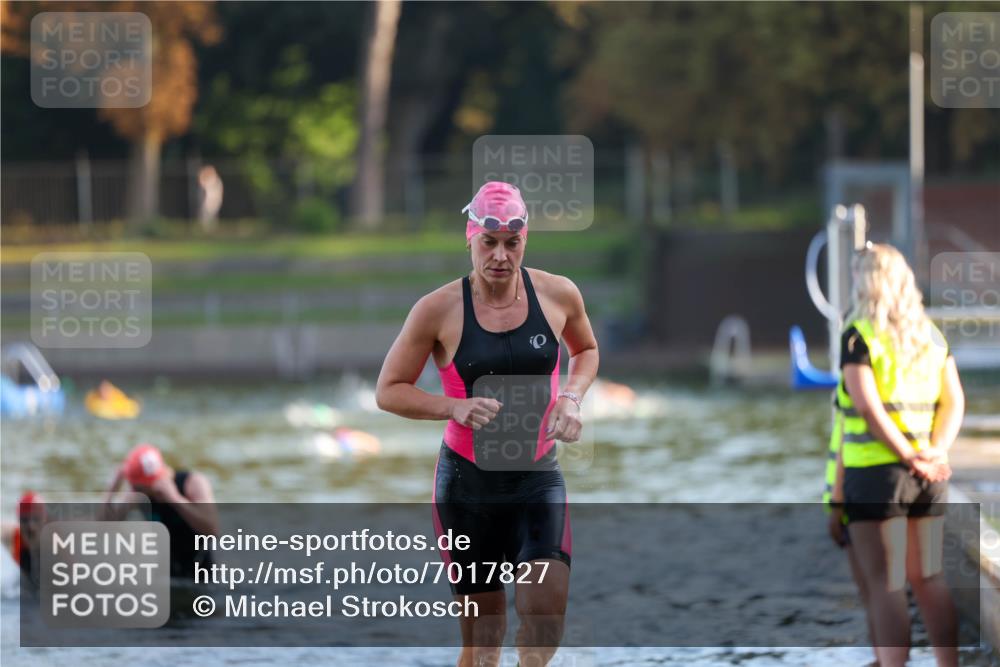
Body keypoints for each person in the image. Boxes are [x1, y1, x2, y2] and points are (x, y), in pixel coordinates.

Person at [375, 181, 599, 667]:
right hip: (467, 488)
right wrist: (450, 407)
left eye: (511, 244)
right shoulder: (437, 310)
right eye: (489, 243)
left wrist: (571, 398)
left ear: (525, 241)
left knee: (543, 622)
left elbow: (586, 350)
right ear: (470, 237)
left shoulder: (559, 294)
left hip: (538, 480)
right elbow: (388, 390)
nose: (499, 256)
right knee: (484, 645)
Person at [830, 243, 963, 667]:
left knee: (886, 585)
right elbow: (954, 401)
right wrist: (933, 451)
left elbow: (867, 409)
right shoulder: (931, 335)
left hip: (877, 477)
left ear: (866, 283)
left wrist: (907, 455)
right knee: (929, 579)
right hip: (928, 476)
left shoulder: (859, 336)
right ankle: (948, 664)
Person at [102, 444, 219, 577]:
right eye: (137, 488)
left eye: (142, 488)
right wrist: (111, 491)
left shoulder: (193, 482)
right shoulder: (139, 494)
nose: (139, 491)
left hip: (201, 570)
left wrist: (175, 499)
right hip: (168, 570)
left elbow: (212, 530)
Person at [1, 491, 47, 587]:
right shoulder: (12, 537)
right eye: (24, 520)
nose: (31, 527)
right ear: (18, 520)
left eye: (36, 519)